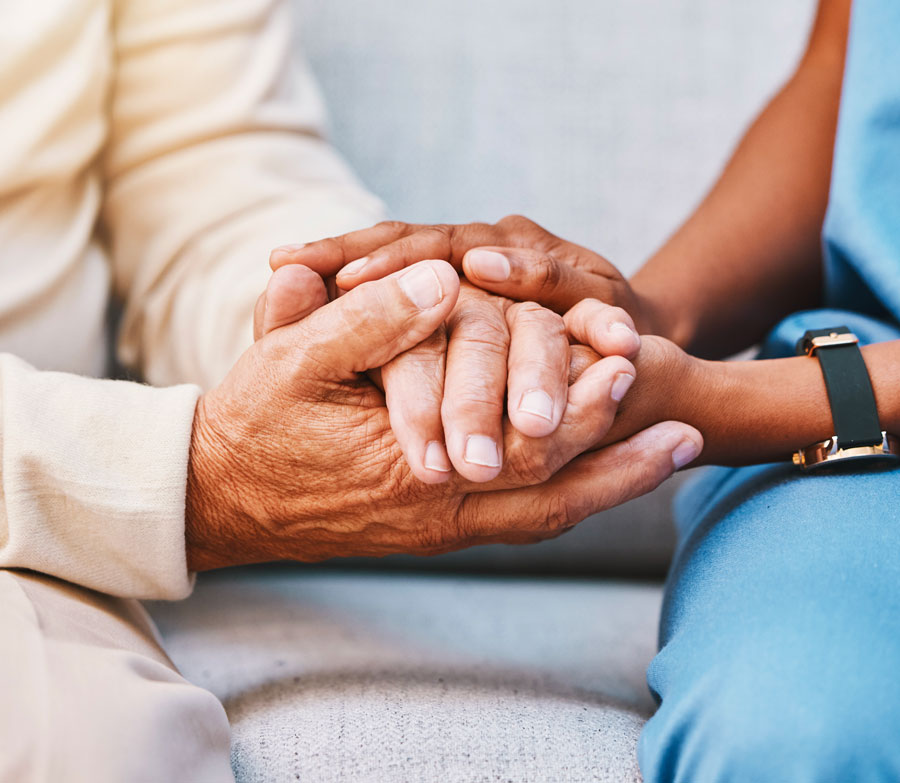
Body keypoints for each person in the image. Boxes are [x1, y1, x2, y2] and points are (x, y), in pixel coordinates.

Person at [0, 0, 700, 779]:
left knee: (103, 752)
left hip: (37, 556)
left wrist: (360, 322)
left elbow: (207, 178)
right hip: (48, 497)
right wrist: (181, 473)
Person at [274, 0, 900, 778]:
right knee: (796, 733)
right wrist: (645, 318)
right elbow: (855, 76)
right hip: (870, 472)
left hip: (845, 402)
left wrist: (756, 401)